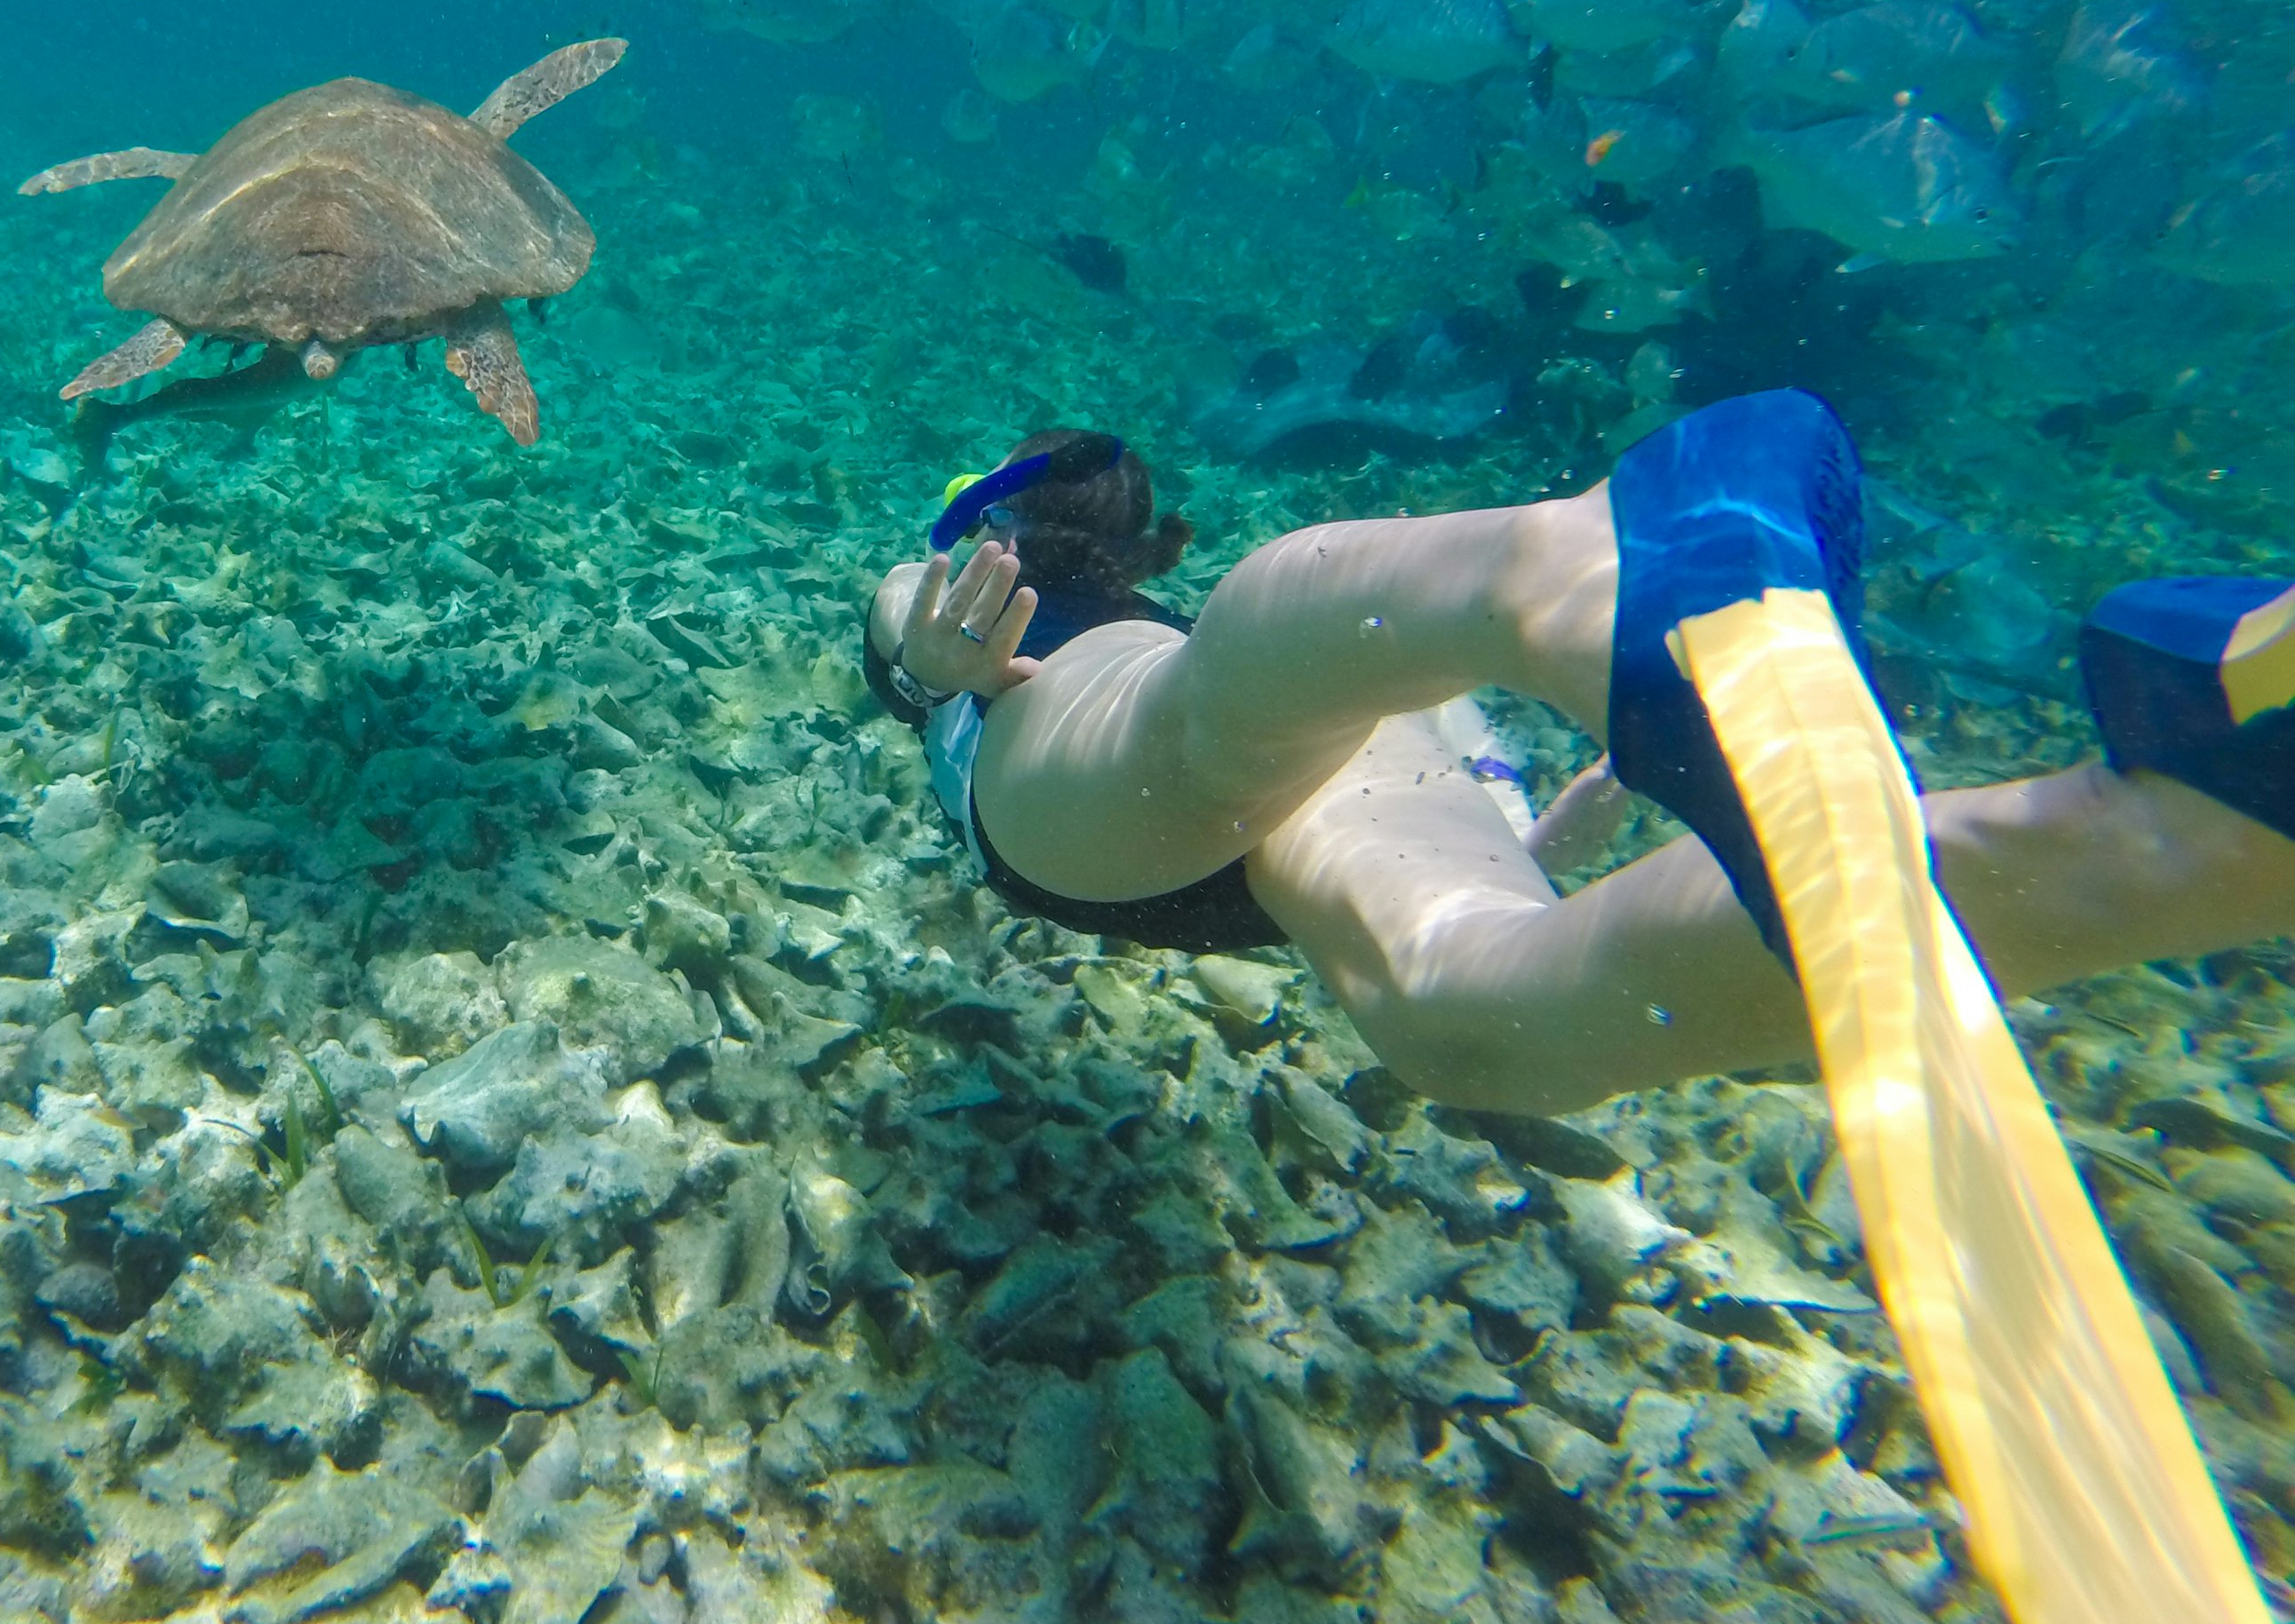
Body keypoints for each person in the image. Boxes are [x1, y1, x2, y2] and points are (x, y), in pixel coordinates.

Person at [863, 398, 2295, 1115]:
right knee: (1465, 1014)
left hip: (1083, 719)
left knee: (1192, 740)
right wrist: (1515, 835)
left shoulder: (974, 599)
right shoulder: (1110, 605)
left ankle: (1560, 566)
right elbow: (1388, 718)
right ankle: (2179, 843)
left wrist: (940, 669)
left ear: (988, 513)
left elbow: (901, 626)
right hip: (1369, 724)